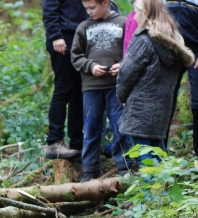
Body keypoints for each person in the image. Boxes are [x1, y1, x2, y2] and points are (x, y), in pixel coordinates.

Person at [42, 0, 121, 159]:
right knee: (63, 89)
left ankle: (78, 144)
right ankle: (54, 141)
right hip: (63, 39)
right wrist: (56, 35)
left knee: (78, 93)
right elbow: (49, 8)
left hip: (84, 37)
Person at [117, 0, 195, 158]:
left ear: (144, 14)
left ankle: (151, 183)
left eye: (136, 13)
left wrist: (121, 95)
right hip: (162, 113)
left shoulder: (142, 40)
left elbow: (127, 72)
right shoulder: (174, 44)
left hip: (140, 110)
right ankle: (161, 181)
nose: (135, 17)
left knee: (144, 155)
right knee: (157, 149)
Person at [71, 0, 133, 181]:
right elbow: (76, 55)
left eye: (92, 8)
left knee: (119, 126)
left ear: (106, 2)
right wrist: (90, 66)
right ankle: (90, 171)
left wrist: (122, 65)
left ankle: (125, 167)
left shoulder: (123, 23)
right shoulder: (83, 27)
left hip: (116, 87)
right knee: (91, 128)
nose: (89, 12)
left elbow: (131, 52)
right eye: (86, 8)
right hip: (91, 87)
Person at [165, 0, 198, 160]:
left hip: (195, 51)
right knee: (164, 102)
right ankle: (159, 154)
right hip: (170, 51)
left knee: (197, 103)